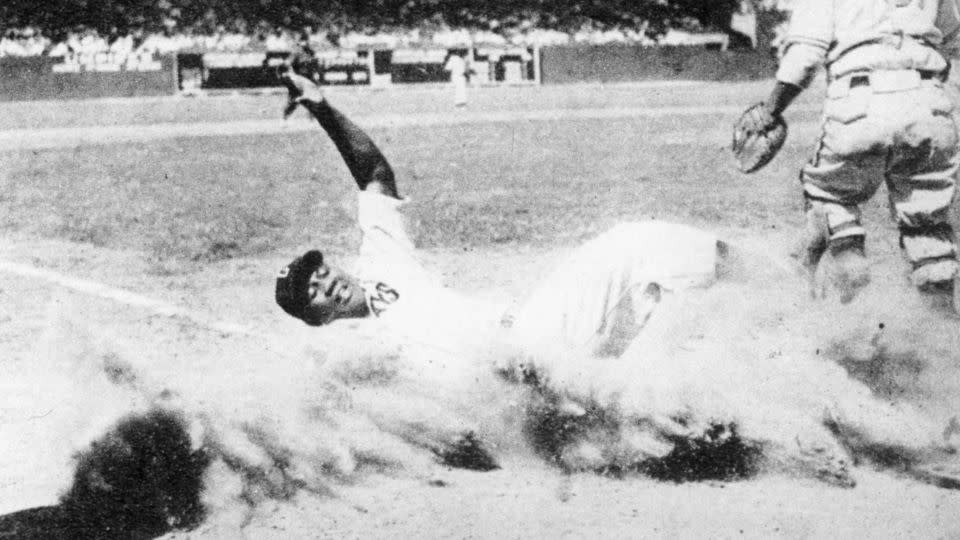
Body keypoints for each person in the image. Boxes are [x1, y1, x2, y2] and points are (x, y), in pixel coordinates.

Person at [274, 67, 960, 487]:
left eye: (318, 271)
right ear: (316, 317)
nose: (323, 284)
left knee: (637, 248)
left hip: (544, 331)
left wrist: (323, 106)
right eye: (311, 295)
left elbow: (374, 174)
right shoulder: (345, 352)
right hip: (530, 393)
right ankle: (820, 426)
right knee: (657, 385)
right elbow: (386, 420)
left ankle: (781, 276)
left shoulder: (384, 263)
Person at [746, 0, 960, 302]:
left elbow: (806, 57)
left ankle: (850, 287)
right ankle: (935, 331)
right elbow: (952, 39)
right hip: (930, 106)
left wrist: (770, 110)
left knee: (829, 198)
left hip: (859, 101)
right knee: (928, 227)